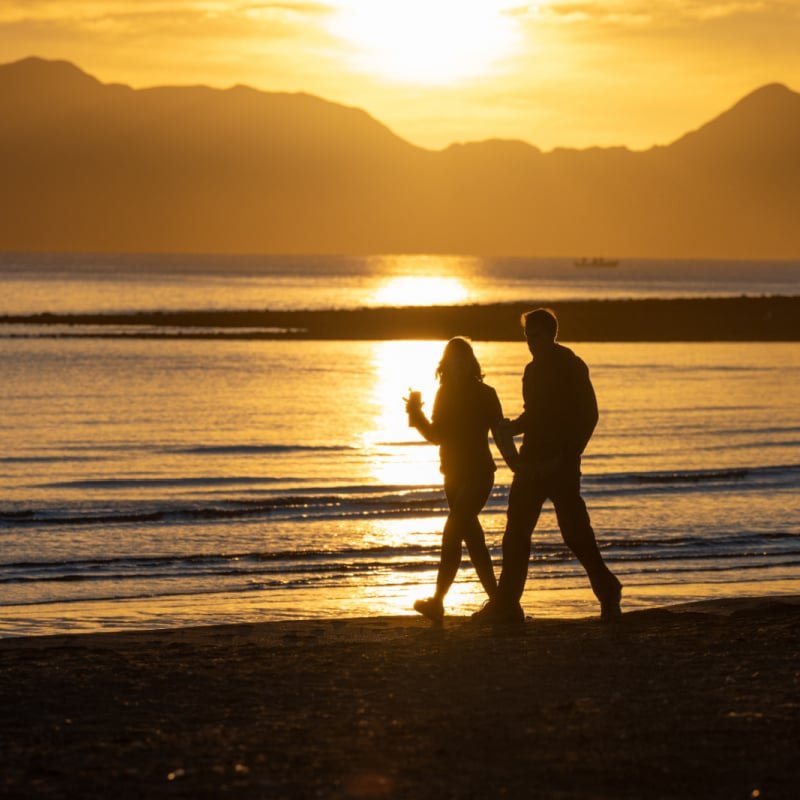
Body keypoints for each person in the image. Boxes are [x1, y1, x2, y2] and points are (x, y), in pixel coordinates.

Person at [475, 308, 622, 624]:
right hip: (530, 463)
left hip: (562, 465)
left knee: (576, 535)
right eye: (528, 335)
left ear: (551, 333)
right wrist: (512, 427)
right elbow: (535, 414)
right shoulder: (531, 370)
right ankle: (507, 606)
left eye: (537, 335)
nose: (531, 341)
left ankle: (608, 591)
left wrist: (567, 456)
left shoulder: (571, 365)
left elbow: (589, 416)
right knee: (515, 534)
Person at [406, 336, 513, 622]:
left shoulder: (487, 393)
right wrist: (415, 414)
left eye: (462, 360)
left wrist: (517, 464)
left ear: (471, 363)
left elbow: (500, 434)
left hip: (479, 474)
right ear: (446, 364)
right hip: (452, 474)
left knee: (452, 533)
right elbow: (437, 436)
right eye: (452, 360)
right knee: (473, 540)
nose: (457, 365)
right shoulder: (444, 393)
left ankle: (438, 602)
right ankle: (502, 604)